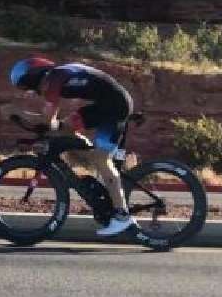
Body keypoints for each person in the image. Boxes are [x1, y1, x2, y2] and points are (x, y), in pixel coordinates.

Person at [7, 56, 135, 237]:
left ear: (34, 78)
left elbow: (47, 121)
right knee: (64, 127)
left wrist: (17, 114)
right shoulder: (56, 76)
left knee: (101, 158)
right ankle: (93, 160)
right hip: (104, 104)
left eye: (30, 87)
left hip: (116, 106)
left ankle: (122, 216)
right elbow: (53, 125)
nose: (34, 92)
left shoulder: (54, 80)